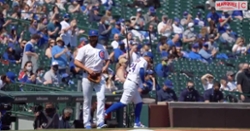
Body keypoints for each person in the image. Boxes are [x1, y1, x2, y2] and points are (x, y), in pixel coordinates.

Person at [104, 52, 154, 128]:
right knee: (123, 103)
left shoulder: (138, 60)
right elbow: (140, 71)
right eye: (150, 59)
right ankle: (105, 112)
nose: (149, 61)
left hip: (131, 83)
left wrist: (147, 71)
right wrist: (144, 81)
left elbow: (138, 71)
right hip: (132, 84)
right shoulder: (144, 61)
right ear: (148, 58)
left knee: (139, 103)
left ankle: (137, 123)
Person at [74, 30, 110, 129]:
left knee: (101, 98)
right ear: (89, 37)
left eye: (95, 37)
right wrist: (87, 69)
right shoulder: (84, 49)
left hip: (99, 75)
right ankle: (87, 122)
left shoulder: (102, 48)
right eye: (91, 37)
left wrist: (106, 66)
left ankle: (100, 121)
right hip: (87, 76)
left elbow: (107, 59)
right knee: (87, 100)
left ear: (97, 37)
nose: (93, 38)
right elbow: (76, 62)